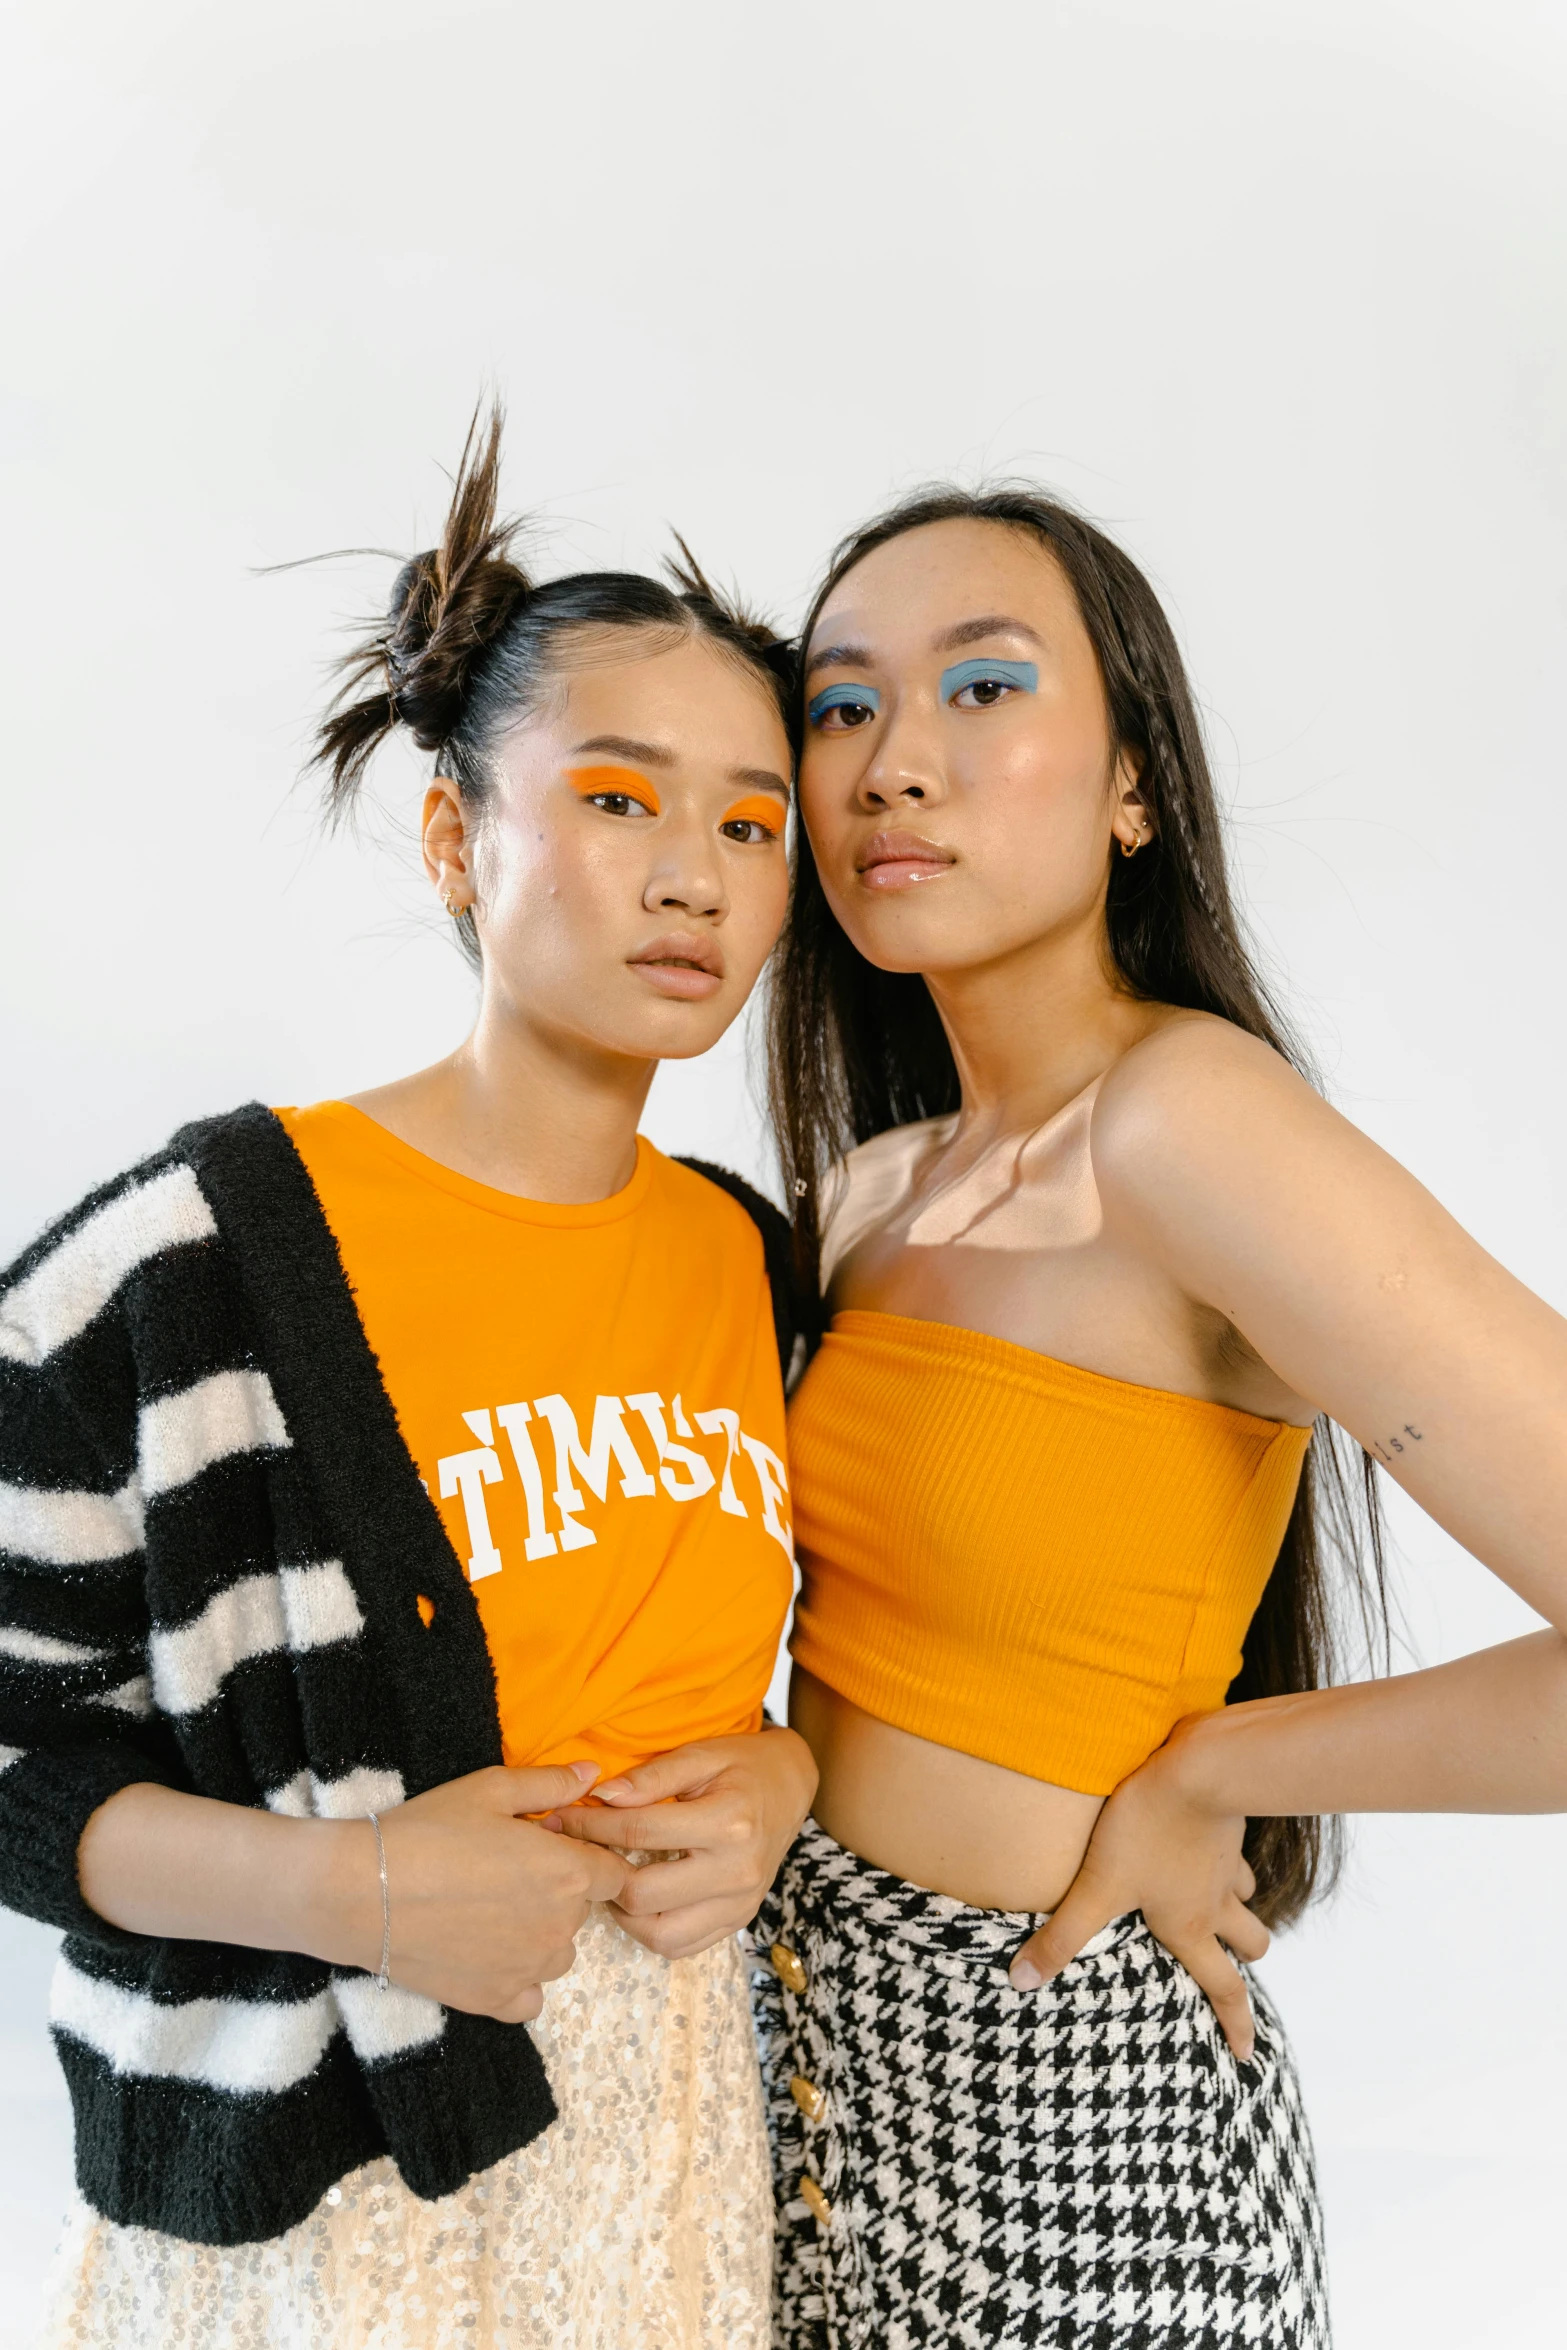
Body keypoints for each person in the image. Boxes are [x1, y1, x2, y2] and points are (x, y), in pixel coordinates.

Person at [0, 408, 817, 2350]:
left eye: (752, 819)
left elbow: (776, 1669)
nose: (692, 873)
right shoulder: (186, 1264)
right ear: (458, 836)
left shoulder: (752, 1261)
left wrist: (780, 1774)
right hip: (315, 2195)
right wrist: (355, 1883)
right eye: (619, 798)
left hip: (669, 2176)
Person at [739, 486, 1567, 2349]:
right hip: (801, 2077)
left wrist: (1219, 1766)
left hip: (1075, 2116)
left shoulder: (1191, 1129)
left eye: (983, 688)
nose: (894, 764)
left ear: (1133, 790)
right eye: (844, 705)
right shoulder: (864, 1201)